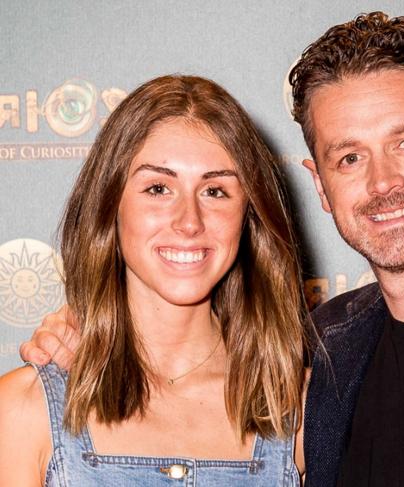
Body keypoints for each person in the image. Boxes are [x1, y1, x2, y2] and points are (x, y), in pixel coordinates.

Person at [21, 12, 404, 487]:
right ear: (319, 184)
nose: (382, 184)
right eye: (350, 156)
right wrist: (84, 330)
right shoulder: (317, 358)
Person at [2, 75, 308, 486]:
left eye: (215, 191)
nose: (189, 222)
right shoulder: (24, 409)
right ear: (110, 206)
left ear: (248, 216)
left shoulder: (299, 407)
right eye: (158, 187)